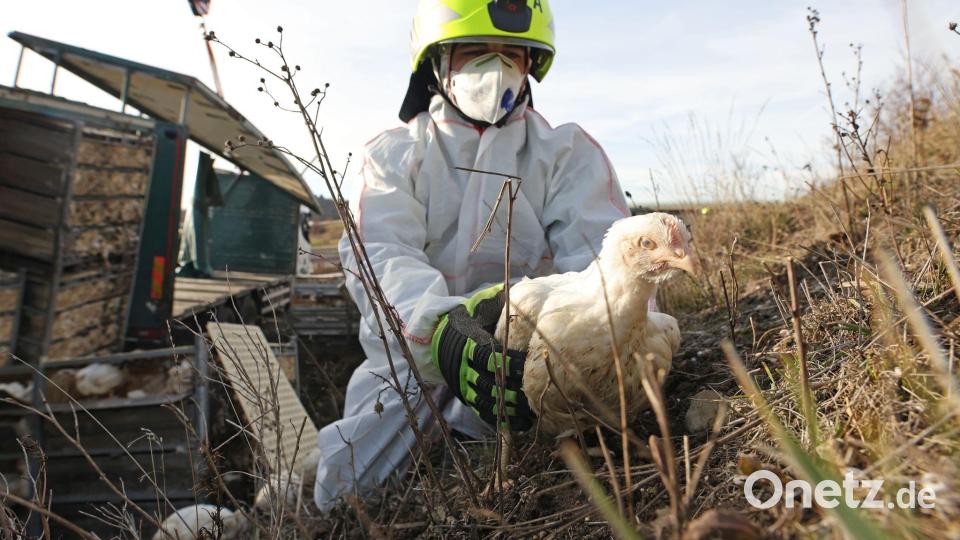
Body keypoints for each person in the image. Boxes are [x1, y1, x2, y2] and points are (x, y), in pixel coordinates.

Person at [314, 0, 630, 510]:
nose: (497, 67)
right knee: (345, 495)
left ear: (531, 64)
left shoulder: (567, 155)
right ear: (438, 62)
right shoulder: (392, 156)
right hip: (408, 373)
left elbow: (606, 261)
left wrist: (568, 348)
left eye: (512, 53)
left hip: (529, 369)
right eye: (478, 51)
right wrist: (439, 334)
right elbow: (380, 253)